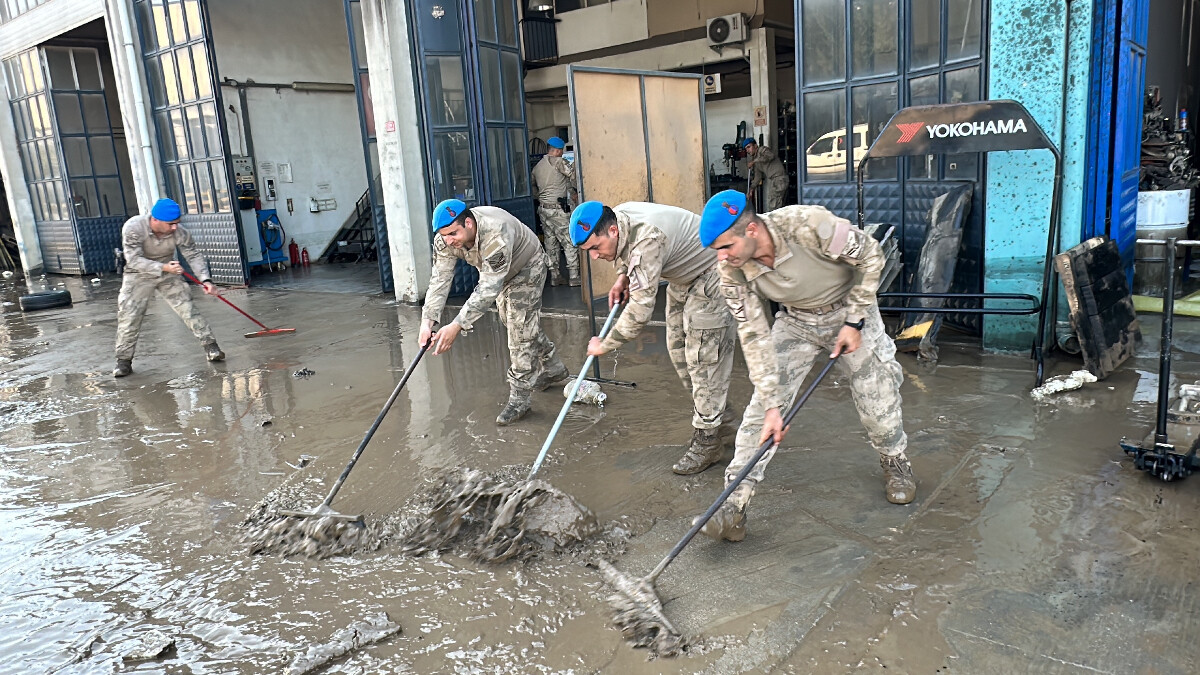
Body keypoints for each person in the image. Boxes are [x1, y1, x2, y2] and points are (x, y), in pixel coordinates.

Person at [694, 189, 915, 542]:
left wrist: (855, 320)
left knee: (876, 395)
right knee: (760, 416)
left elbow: (872, 256)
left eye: (726, 247)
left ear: (750, 230)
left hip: (849, 309)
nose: (722, 257)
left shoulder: (807, 224)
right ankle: (733, 504)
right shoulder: (731, 270)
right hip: (796, 321)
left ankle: (894, 460)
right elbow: (753, 336)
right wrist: (771, 403)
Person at [570, 201, 738, 473]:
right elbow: (628, 253)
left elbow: (639, 311)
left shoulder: (647, 239)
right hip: (683, 278)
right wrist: (622, 277)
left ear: (612, 230)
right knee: (679, 351)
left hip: (712, 275)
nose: (594, 256)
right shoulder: (618, 218)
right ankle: (722, 420)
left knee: (701, 360)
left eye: (595, 248)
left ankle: (708, 441)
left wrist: (605, 344)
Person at [419, 199, 570, 425]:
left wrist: (457, 325)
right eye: (444, 235)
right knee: (517, 325)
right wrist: (428, 320)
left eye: (453, 234)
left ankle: (520, 399)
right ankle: (553, 366)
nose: (449, 241)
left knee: (519, 330)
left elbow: (489, 287)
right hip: (498, 274)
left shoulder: (494, 231)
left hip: (527, 265)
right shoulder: (445, 239)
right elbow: (440, 279)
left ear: (468, 223)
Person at [113, 198, 224, 378]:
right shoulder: (133, 227)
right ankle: (123, 361)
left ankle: (211, 347)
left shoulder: (180, 232)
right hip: (138, 274)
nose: (174, 228)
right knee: (130, 315)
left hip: (168, 272)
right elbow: (133, 259)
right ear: (155, 220)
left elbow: (193, 254)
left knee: (188, 309)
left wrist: (206, 280)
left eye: (177, 224)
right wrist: (164, 267)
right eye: (170, 224)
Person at [531, 136, 580, 287]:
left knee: (551, 243)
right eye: (561, 151)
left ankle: (555, 275)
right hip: (558, 211)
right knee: (569, 241)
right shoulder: (559, 162)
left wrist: (542, 197)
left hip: (544, 209)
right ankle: (574, 276)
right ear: (558, 151)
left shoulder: (537, 166)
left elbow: (533, 187)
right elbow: (576, 176)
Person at [743, 138, 789, 210]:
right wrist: (751, 189)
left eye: (749, 147)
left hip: (779, 179)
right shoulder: (755, 161)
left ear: (755, 146)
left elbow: (770, 156)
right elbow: (758, 177)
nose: (747, 150)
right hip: (774, 181)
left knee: (774, 205)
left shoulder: (762, 150)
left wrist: (754, 161)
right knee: (777, 205)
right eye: (746, 149)